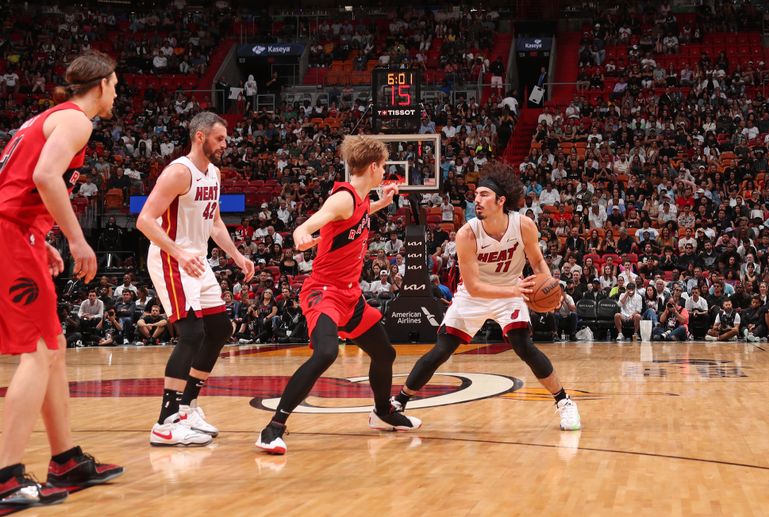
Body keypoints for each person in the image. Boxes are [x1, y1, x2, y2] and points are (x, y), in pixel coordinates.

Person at [0, 50, 123, 507]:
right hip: (10, 236)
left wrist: (39, 235)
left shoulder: (45, 118)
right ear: (103, 83)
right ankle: (7, 478)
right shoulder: (76, 121)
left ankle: (65, 460)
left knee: (54, 346)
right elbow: (45, 175)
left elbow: (17, 185)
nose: (117, 93)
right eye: (115, 85)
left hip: (18, 233)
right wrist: (75, 239)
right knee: (37, 351)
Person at [256, 135, 421, 455]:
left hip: (351, 296)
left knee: (385, 353)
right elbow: (310, 224)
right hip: (325, 294)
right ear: (373, 167)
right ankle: (273, 428)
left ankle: (383, 412)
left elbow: (360, 213)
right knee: (326, 353)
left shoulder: (360, 199)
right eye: (383, 166)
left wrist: (383, 203)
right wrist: (302, 235)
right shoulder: (343, 198)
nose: (384, 171)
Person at [391, 163, 581, 431]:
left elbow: (537, 262)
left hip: (510, 290)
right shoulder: (467, 233)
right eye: (476, 195)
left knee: (523, 345)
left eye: (483, 195)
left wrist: (548, 287)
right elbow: (475, 286)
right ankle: (397, 404)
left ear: (501, 201)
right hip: (475, 295)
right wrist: (516, 291)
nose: (477, 200)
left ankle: (564, 402)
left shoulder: (523, 225)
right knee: (442, 350)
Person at [137, 111, 255, 446]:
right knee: (191, 333)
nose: (225, 145)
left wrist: (236, 255)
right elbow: (145, 221)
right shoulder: (178, 172)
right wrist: (178, 252)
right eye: (220, 139)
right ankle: (165, 422)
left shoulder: (214, 173)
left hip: (197, 260)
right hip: (171, 258)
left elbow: (215, 223)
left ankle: (187, 406)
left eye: (226, 139)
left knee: (219, 330)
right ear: (200, 137)